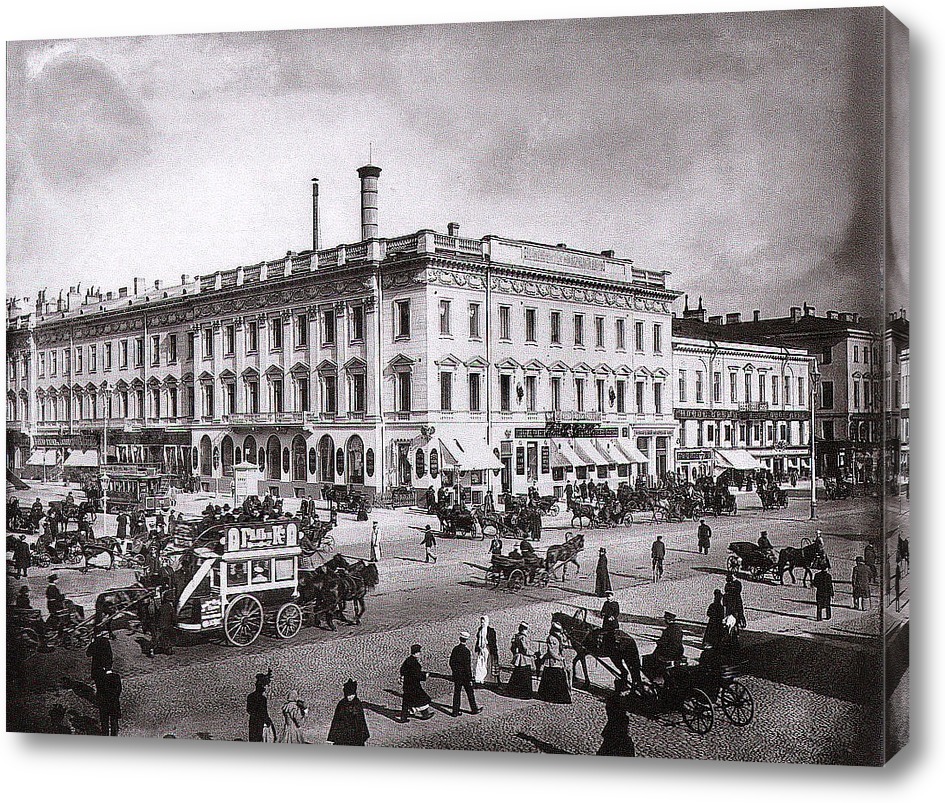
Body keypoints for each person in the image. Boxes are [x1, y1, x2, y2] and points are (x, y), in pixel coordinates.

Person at [597, 678, 636, 757]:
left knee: (606, 748)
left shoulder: (611, 699)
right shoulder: (621, 700)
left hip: (612, 727)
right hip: (619, 729)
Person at [642, 611, 684, 680]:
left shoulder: (668, 630)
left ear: (668, 620)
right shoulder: (678, 628)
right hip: (678, 652)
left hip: (669, 653)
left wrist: (658, 642)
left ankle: (655, 677)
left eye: (665, 619)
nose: (665, 620)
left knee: (648, 658)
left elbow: (663, 643)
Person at [327, 679, 370, 746]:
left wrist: (363, 735)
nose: (350, 697)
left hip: (355, 735)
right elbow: (336, 720)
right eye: (348, 695)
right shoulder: (341, 704)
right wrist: (334, 735)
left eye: (352, 695)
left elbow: (361, 721)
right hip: (343, 735)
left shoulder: (357, 704)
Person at [537, 621, 571, 703]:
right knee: (552, 678)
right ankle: (551, 696)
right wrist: (559, 658)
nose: (558, 633)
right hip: (552, 661)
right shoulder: (551, 638)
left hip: (558, 661)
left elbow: (563, 644)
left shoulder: (558, 637)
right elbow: (551, 651)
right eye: (557, 631)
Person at [449, 631, 481, 716]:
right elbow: (467, 666)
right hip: (465, 676)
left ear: (460, 639)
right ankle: (474, 709)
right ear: (466, 640)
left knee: (457, 693)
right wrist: (470, 677)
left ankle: (455, 711)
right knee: (470, 693)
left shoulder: (455, 649)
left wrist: (455, 671)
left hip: (457, 675)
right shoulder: (466, 651)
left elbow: (451, 662)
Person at [399, 644, 433, 721]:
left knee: (406, 701)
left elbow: (402, 670)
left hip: (407, 684)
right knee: (423, 699)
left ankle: (404, 717)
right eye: (419, 652)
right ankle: (424, 714)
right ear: (416, 653)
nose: (420, 654)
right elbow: (417, 675)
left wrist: (402, 677)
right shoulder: (415, 664)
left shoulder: (407, 660)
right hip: (414, 685)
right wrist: (425, 676)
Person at [507, 622, 534, 699]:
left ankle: (513, 691)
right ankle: (524, 694)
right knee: (525, 677)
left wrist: (515, 654)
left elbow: (512, 648)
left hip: (519, 658)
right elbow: (525, 649)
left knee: (517, 675)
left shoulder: (516, 636)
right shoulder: (523, 637)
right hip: (524, 659)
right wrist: (533, 654)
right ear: (525, 629)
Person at [247, 670, 274, 742]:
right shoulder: (262, 698)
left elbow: (249, 710)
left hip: (253, 721)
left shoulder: (250, 696)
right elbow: (263, 712)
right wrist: (267, 721)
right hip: (260, 722)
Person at [474, 615, 499, 686]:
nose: (482, 624)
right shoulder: (480, 630)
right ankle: (479, 678)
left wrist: (494, 651)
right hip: (481, 649)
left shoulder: (491, 631)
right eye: (481, 622)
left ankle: (488, 678)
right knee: (480, 663)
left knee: (488, 663)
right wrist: (478, 647)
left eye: (483, 622)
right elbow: (478, 639)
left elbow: (493, 642)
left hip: (488, 649)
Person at [96, 668, 122, 736]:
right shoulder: (116, 677)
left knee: (104, 722)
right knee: (114, 720)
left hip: (104, 703)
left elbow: (99, 692)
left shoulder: (100, 678)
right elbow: (119, 689)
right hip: (114, 702)